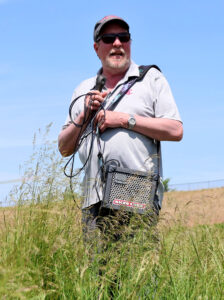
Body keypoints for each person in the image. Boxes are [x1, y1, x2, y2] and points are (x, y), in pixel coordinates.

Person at [58, 15, 183, 237]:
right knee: (96, 270)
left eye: (123, 37)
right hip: (93, 199)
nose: (117, 43)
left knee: (137, 268)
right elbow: (64, 148)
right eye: (109, 38)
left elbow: (175, 130)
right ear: (97, 48)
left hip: (136, 193)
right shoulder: (83, 89)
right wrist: (84, 115)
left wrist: (125, 119)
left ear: (130, 43)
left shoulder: (150, 79)